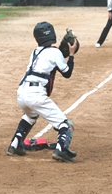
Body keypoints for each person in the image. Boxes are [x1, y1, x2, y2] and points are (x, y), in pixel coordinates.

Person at [6, 21, 78, 163]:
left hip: (22, 92)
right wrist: (71, 54)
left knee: (30, 115)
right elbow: (67, 73)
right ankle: (61, 150)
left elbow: (48, 62)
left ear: (36, 38)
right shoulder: (56, 52)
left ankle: (14, 145)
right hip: (36, 94)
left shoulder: (35, 52)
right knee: (65, 124)